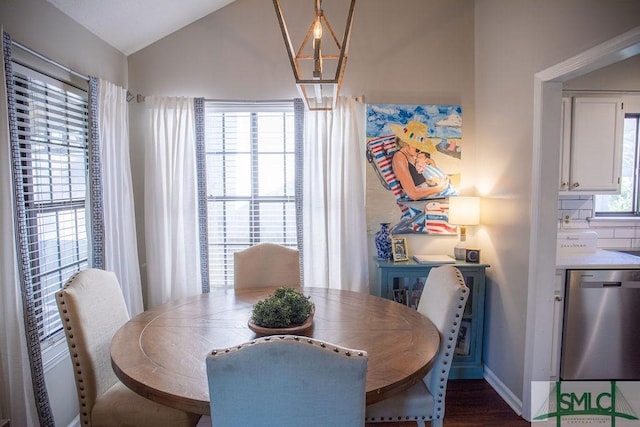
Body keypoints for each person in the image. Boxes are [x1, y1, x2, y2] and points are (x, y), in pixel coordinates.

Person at [390, 120, 449, 201]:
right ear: (407, 142)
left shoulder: (416, 155)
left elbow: (429, 180)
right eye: (417, 146)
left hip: (428, 192)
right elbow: (413, 194)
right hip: (417, 200)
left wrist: (433, 167)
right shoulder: (400, 157)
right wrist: (438, 188)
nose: (420, 149)